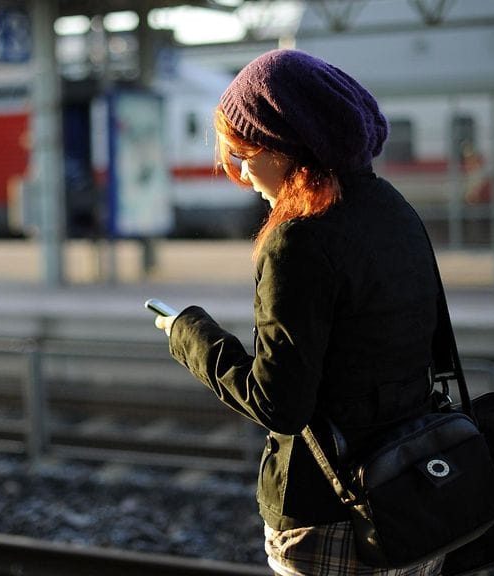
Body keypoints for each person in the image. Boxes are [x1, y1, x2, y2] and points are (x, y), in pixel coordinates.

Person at [153, 49, 444, 576]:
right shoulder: (395, 210)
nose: (240, 171)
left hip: (333, 512)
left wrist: (188, 333)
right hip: (414, 491)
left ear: (285, 148)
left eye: (244, 152)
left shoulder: (298, 241)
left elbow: (279, 402)